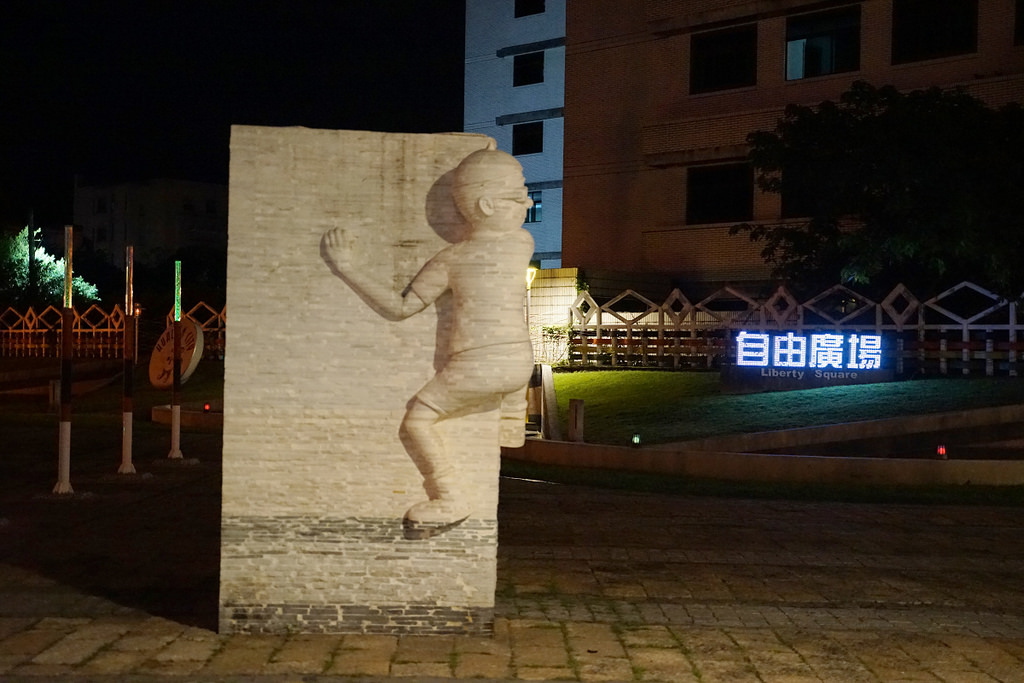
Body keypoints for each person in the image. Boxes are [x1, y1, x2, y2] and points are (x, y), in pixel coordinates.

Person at [321, 146, 535, 536]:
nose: (528, 202)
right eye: (518, 195)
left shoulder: (450, 260)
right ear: (487, 204)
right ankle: (511, 415)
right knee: (506, 383)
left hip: (478, 365)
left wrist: (348, 268)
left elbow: (401, 308)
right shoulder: (522, 243)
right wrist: (480, 156)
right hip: (520, 363)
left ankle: (450, 495)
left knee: (417, 421)